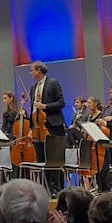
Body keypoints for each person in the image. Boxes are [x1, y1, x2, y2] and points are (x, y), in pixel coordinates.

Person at [29, 61, 66, 198]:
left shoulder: (53, 83)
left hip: (52, 125)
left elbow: (61, 103)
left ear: (39, 70)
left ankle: (55, 188)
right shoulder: (33, 87)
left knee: (53, 158)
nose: (30, 73)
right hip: (38, 127)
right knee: (42, 159)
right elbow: (32, 108)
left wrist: (45, 106)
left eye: (32, 70)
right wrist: (31, 126)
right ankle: (44, 188)